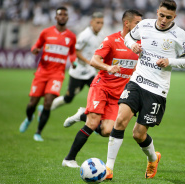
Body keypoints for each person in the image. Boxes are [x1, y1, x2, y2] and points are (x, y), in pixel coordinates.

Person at [105, 0, 185, 180]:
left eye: (168, 17)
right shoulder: (144, 25)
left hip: (157, 90)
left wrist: (170, 61)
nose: (164, 20)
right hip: (137, 81)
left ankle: (153, 158)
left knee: (138, 134)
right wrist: (132, 45)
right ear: (157, 12)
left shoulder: (179, 34)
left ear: (174, 17)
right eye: (161, 15)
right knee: (120, 120)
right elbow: (128, 37)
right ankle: (108, 169)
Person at [61, 9, 143, 169]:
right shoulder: (111, 40)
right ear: (127, 23)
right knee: (93, 123)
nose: (140, 27)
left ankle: (82, 115)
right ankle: (69, 159)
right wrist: (108, 67)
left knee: (107, 131)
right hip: (102, 87)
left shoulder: (140, 45)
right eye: (137, 23)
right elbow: (93, 60)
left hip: (118, 95)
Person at [19, 6, 77, 142]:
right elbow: (36, 45)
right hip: (42, 73)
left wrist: (73, 61)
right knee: (32, 103)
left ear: (67, 18)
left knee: (48, 102)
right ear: (56, 17)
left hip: (57, 74)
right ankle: (29, 118)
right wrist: (34, 49)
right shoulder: (46, 32)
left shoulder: (71, 36)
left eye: (65, 15)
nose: (62, 16)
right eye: (60, 14)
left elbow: (72, 52)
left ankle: (38, 132)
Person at [49, 12, 105, 111]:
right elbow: (75, 51)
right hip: (78, 71)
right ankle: (47, 108)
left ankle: (92, 114)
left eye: (101, 23)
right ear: (91, 22)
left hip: (90, 71)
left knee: (100, 91)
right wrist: (88, 61)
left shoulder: (100, 36)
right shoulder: (85, 35)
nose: (99, 25)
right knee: (68, 98)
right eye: (97, 22)